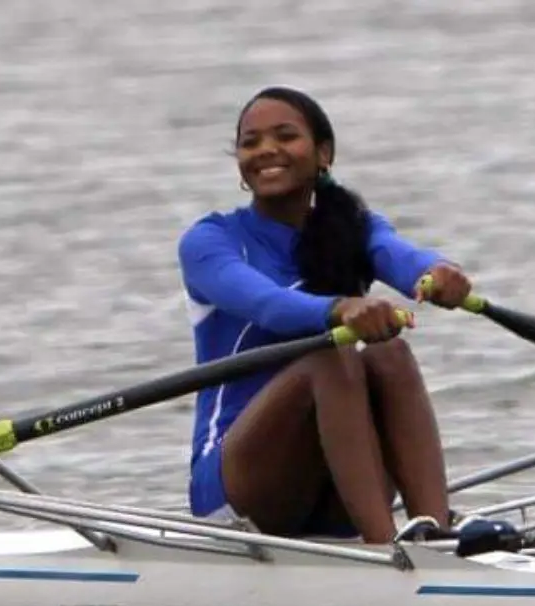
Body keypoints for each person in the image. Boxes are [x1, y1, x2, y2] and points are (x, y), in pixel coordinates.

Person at [176, 86, 473, 544]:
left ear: (323, 153)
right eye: (251, 142)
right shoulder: (210, 241)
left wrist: (438, 273)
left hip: (333, 486)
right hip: (237, 488)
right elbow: (266, 303)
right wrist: (340, 308)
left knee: (388, 353)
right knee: (329, 357)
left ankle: (434, 534)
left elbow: (400, 255)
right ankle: (384, 549)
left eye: (285, 136)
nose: (266, 150)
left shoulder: (353, 228)